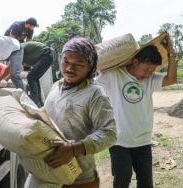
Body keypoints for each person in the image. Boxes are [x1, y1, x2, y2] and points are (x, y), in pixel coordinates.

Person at [24, 37, 117, 188]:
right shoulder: (56, 87)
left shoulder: (95, 94)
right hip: (50, 171)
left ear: (90, 66)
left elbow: (110, 133)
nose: (69, 69)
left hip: (79, 178)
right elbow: (48, 117)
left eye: (78, 64)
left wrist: (73, 149)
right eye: (65, 61)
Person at [96, 36, 177, 188]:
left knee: (146, 182)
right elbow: (91, 86)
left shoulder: (150, 80)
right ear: (135, 62)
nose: (148, 73)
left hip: (143, 140)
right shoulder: (114, 75)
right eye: (146, 68)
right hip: (119, 140)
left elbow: (171, 79)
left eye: (152, 70)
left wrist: (171, 52)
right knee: (122, 180)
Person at [0, 41, 55, 107]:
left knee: (31, 77)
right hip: (49, 55)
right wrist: (4, 81)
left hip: (46, 54)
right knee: (34, 78)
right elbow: (11, 70)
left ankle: (34, 103)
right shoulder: (17, 51)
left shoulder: (17, 49)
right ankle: (39, 103)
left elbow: (10, 70)